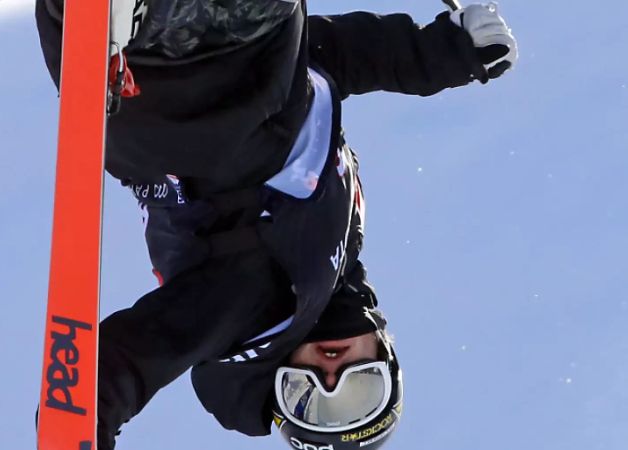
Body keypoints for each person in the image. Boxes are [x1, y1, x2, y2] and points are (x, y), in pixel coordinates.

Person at [34, 1, 517, 449]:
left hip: (180, 72)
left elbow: (122, 367)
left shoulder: (251, 315)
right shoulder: (337, 245)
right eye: (360, 389)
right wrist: (443, 54)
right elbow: (321, 64)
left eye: (307, 398)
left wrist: (79, 429)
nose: (332, 376)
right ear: (383, 350)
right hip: (250, 49)